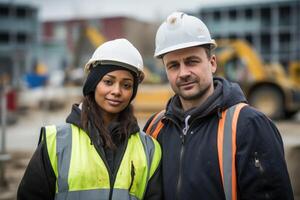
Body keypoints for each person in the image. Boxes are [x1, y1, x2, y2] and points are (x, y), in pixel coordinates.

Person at [144, 12, 294, 200]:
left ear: (212, 63)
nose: (183, 73)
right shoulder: (156, 127)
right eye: (173, 65)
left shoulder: (249, 125)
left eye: (192, 61)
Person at [18, 38, 162, 200]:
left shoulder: (149, 149)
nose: (117, 91)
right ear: (93, 83)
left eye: (126, 85)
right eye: (108, 82)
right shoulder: (55, 142)